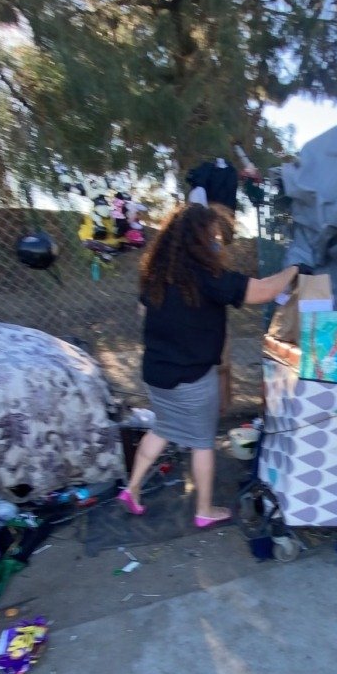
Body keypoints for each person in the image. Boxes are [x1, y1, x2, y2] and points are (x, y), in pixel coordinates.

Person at [118, 201, 301, 527]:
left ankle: (131, 489)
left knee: (162, 426)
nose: (217, 243)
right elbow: (263, 291)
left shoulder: (155, 277)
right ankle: (204, 510)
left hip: (156, 374)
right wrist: (294, 270)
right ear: (199, 239)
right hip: (191, 378)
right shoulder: (207, 277)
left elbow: (143, 314)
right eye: (213, 236)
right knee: (203, 442)